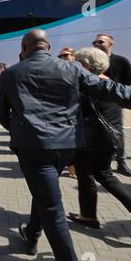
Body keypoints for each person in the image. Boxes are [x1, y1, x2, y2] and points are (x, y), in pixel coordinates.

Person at [0, 29, 131, 261]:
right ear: (47, 46)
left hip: (34, 149)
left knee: (53, 210)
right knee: (45, 192)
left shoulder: (11, 74)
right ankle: (31, 234)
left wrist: (20, 130)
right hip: (66, 147)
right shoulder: (71, 69)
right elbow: (118, 91)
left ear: (24, 47)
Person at [68, 47, 131, 242]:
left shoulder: (89, 86)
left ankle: (89, 216)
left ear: (84, 65)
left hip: (90, 140)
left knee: (86, 175)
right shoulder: (111, 84)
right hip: (110, 139)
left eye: (77, 63)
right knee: (104, 174)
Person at [93, 34, 131, 177]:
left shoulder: (121, 61)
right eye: (95, 42)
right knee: (98, 132)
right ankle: (104, 164)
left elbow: (127, 83)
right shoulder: (92, 61)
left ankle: (121, 162)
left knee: (117, 132)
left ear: (111, 43)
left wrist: (110, 83)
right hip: (95, 102)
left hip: (113, 103)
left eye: (101, 41)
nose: (97, 44)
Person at [58, 47, 77, 179]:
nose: (63, 58)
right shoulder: (58, 70)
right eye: (61, 56)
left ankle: (72, 170)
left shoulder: (78, 70)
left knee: (72, 146)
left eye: (66, 55)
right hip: (61, 112)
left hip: (75, 112)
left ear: (73, 56)